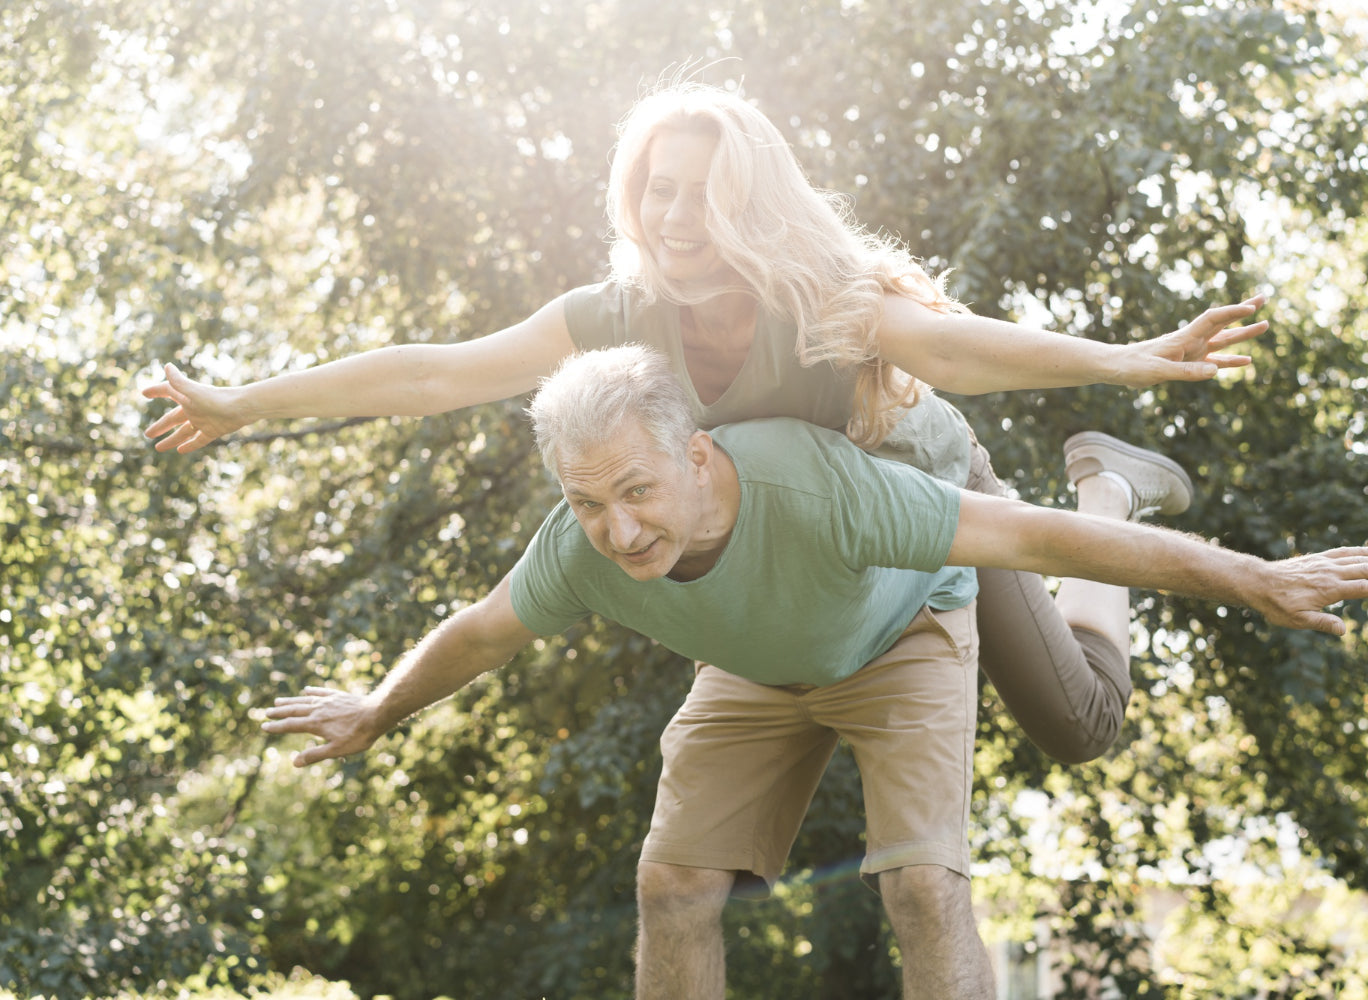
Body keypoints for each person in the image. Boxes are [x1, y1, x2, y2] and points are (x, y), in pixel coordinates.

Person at [147, 80, 1271, 763]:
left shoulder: (819, 295)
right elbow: (435, 373)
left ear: (747, 198)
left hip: (938, 507)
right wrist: (248, 402)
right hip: (813, 563)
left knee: (1078, 726)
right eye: (656, 190)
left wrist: (1122, 360)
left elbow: (957, 345)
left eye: (701, 190)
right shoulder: (621, 315)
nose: (676, 216)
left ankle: (1106, 482)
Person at [260, 345, 1368, 1000]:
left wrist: (1251, 576)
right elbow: (479, 628)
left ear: (696, 451)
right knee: (672, 886)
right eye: (588, 501)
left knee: (946, 855)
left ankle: (1107, 470)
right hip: (761, 667)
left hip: (904, 627)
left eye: (639, 491)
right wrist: (376, 705)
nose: (617, 530)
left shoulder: (825, 494)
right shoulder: (585, 545)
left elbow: (1046, 545)